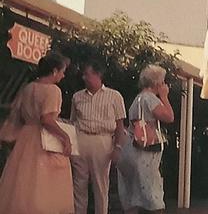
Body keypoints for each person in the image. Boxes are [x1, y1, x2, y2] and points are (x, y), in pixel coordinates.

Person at [0, 52, 74, 214]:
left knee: (23, 181)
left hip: (26, 138)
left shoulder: (28, 88)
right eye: (62, 71)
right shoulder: (53, 91)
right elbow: (46, 119)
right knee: (44, 182)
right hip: (43, 139)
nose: (63, 75)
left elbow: (17, 115)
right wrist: (65, 136)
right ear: (54, 70)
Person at [116, 65, 174, 214]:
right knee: (151, 192)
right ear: (157, 83)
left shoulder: (138, 99)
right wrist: (165, 97)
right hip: (145, 152)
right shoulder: (150, 98)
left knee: (133, 194)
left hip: (131, 148)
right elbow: (169, 117)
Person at [70, 60, 126, 214]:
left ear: (98, 74)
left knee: (100, 185)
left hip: (103, 140)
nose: (84, 78)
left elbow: (120, 125)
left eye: (87, 74)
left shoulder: (114, 96)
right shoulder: (77, 97)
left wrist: (118, 147)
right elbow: (73, 121)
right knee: (78, 183)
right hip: (81, 138)